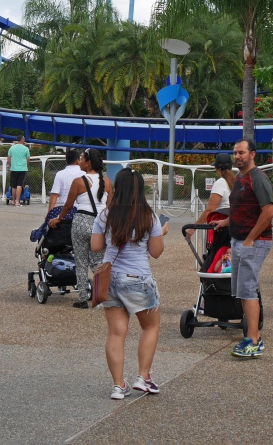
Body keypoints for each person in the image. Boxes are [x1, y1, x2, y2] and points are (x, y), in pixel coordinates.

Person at [91, 167, 166, 400]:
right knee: (150, 327)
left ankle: (117, 385)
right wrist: (161, 233)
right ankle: (143, 377)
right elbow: (156, 253)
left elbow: (95, 247)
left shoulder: (105, 215)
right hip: (138, 279)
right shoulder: (149, 217)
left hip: (111, 280)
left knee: (116, 332)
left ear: (118, 188)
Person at [212, 139, 273, 359]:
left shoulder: (257, 178)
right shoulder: (239, 178)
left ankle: (254, 341)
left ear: (253, 154)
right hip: (239, 241)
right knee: (240, 290)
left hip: (254, 243)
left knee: (247, 290)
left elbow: (268, 212)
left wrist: (250, 238)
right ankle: (253, 337)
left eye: (242, 153)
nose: (237, 156)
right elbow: (241, 210)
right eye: (235, 153)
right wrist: (225, 223)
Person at [49, 148, 113, 309]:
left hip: (81, 221)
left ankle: (83, 298)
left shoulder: (78, 182)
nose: (79, 161)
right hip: (100, 224)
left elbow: (69, 205)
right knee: (98, 261)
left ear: (88, 162)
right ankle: (104, 294)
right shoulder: (107, 181)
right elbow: (110, 206)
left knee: (81, 261)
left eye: (82, 158)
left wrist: (59, 218)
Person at [189, 153, 233, 238]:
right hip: (234, 224)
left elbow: (210, 210)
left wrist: (194, 227)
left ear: (217, 169)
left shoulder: (220, 183)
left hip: (222, 227)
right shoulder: (237, 181)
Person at [48, 148, 83, 212]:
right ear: (77, 161)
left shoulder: (60, 174)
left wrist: (49, 212)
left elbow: (54, 194)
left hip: (63, 209)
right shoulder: (84, 174)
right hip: (80, 210)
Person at [7, 135, 30, 206]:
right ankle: (17, 201)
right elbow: (28, 159)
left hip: (14, 168)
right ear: (22, 140)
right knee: (19, 184)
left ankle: (13, 201)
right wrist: (25, 165)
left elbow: (8, 159)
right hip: (22, 169)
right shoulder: (26, 149)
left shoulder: (12, 148)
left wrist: (11, 165)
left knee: (13, 185)